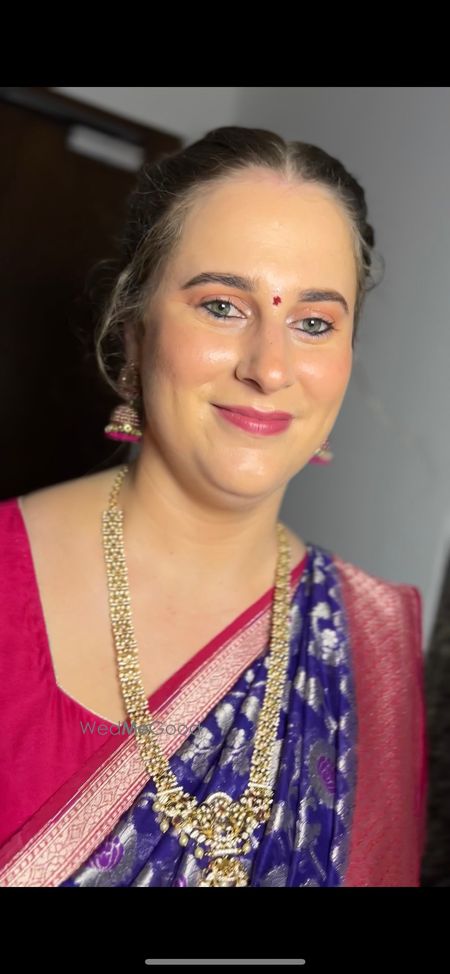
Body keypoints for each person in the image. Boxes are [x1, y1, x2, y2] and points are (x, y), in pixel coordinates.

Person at [0, 126, 426, 887]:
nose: (269, 367)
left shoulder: (372, 647)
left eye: (314, 323)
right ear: (134, 333)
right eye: (223, 306)